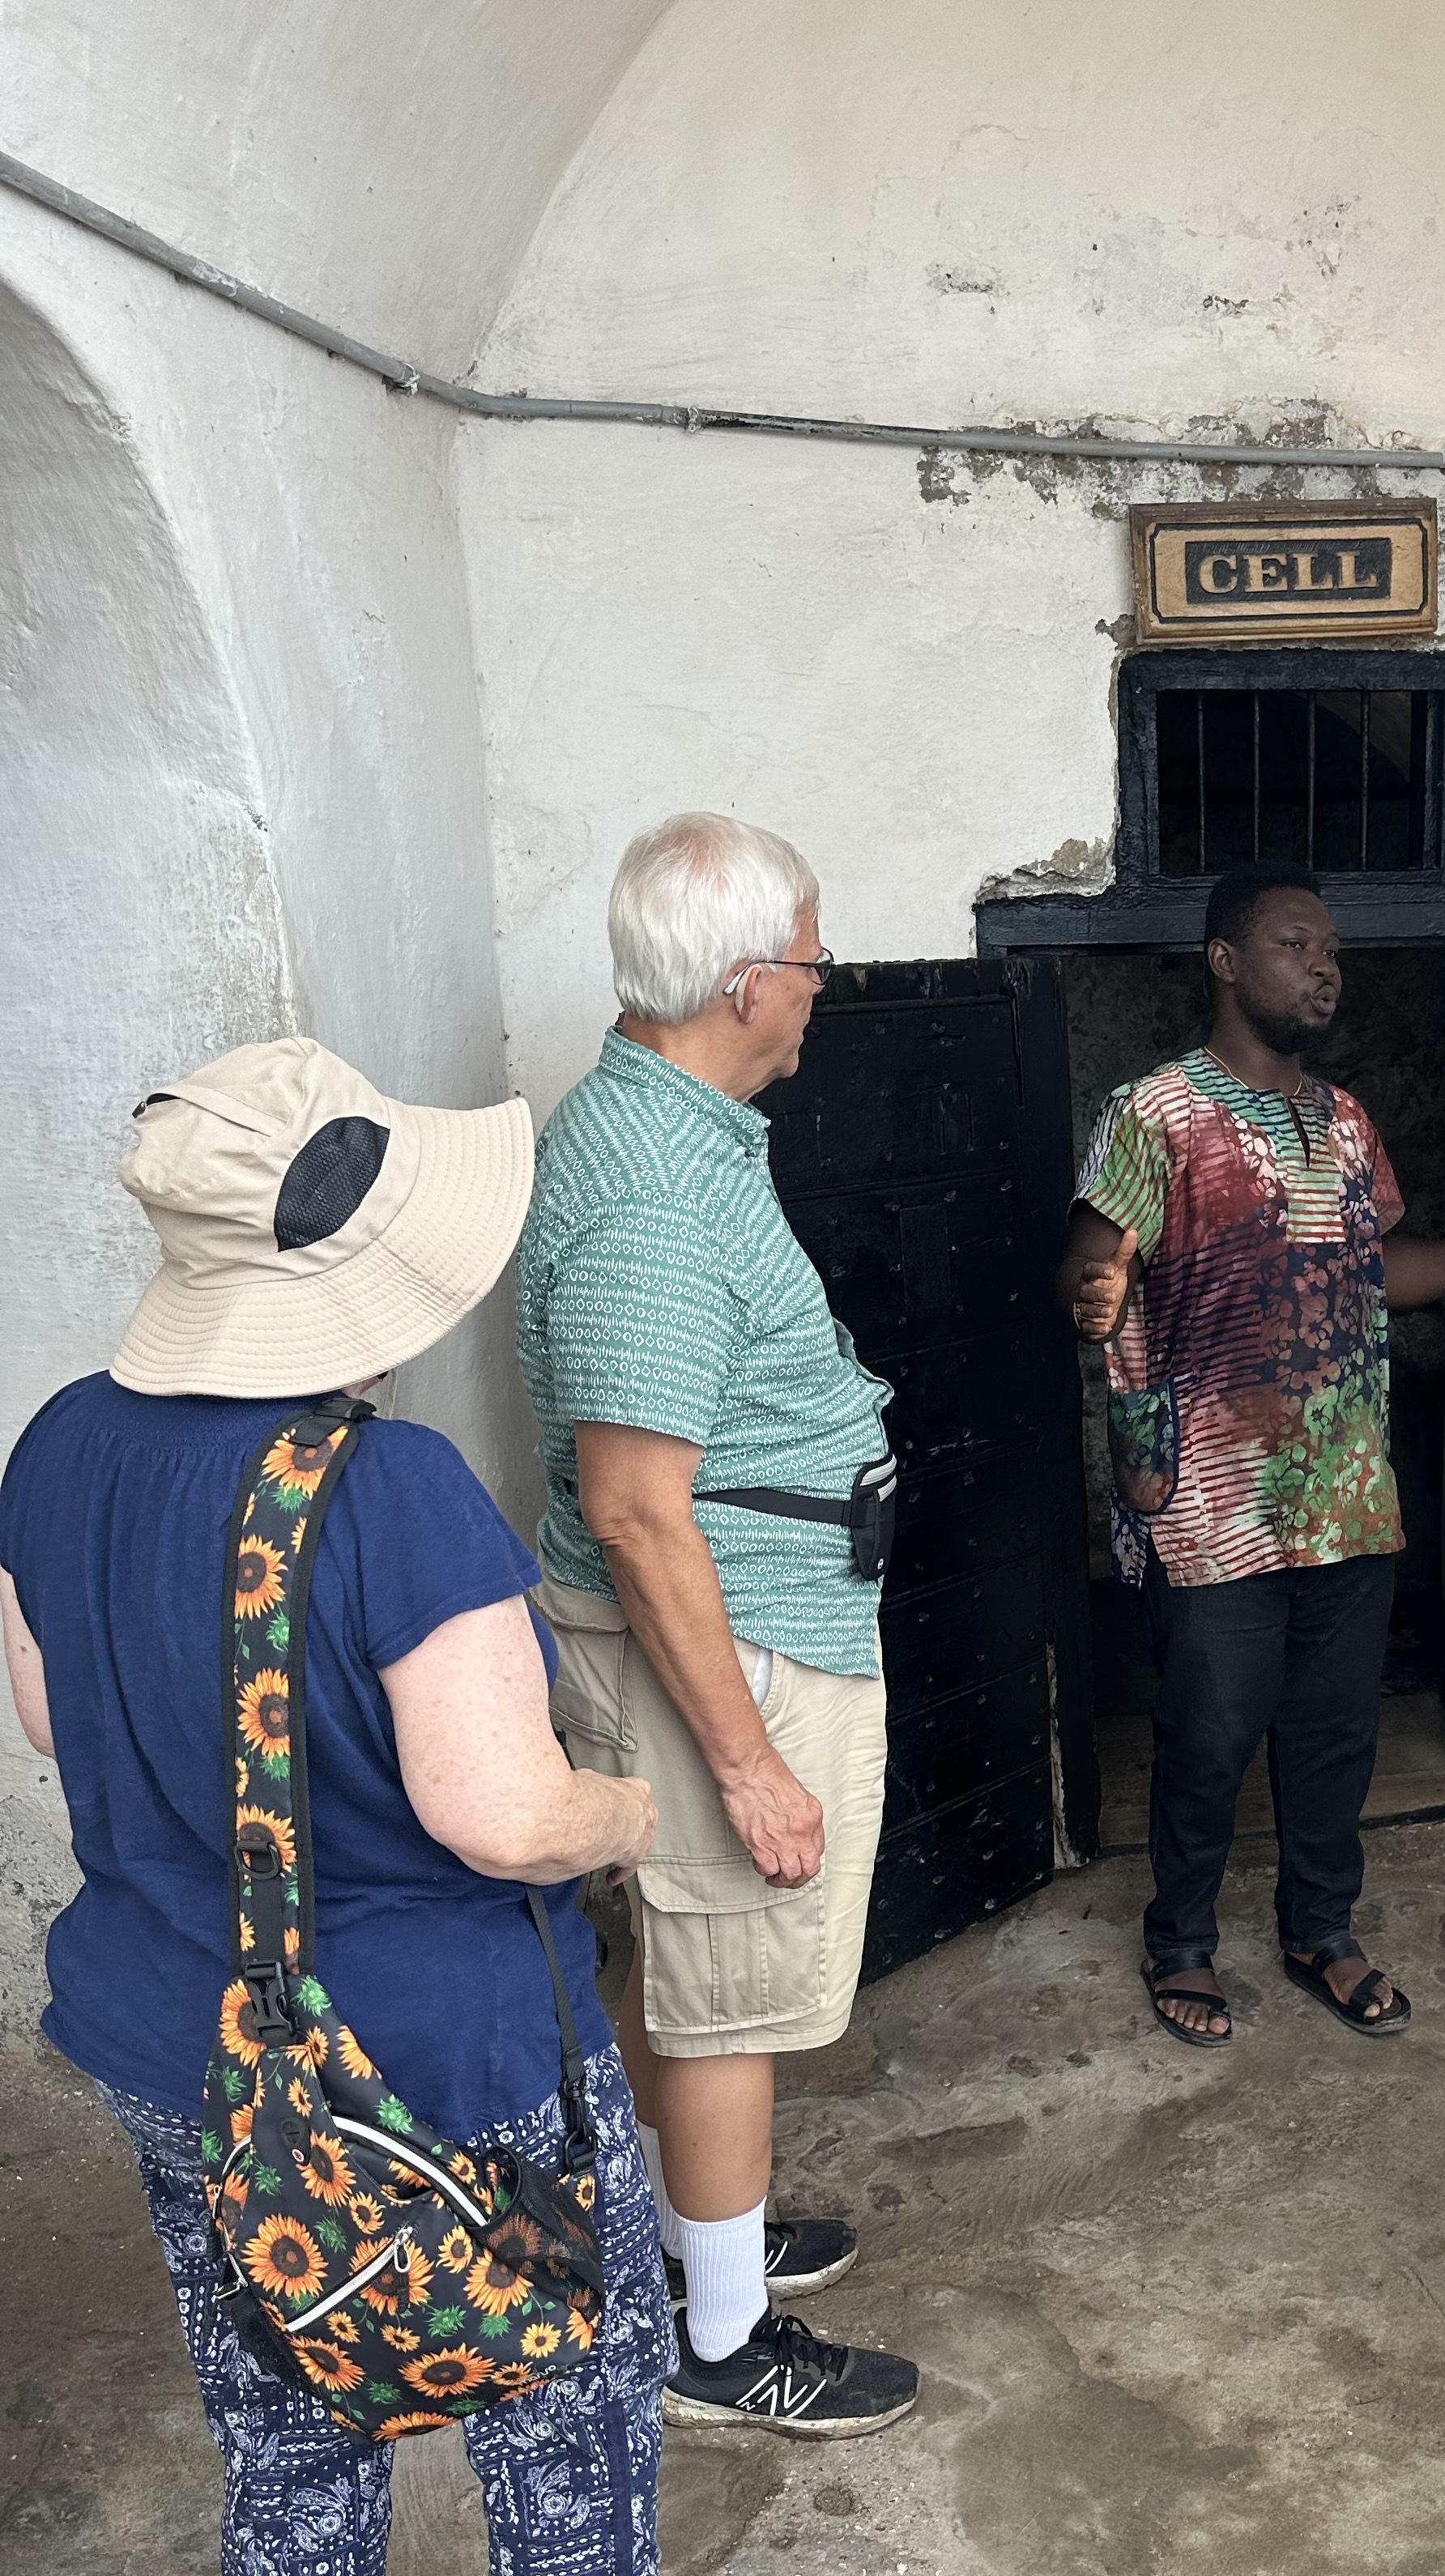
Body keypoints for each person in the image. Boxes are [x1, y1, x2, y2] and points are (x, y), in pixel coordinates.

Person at [0, 1039, 817, 2576]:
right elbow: (500, 1815)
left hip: (175, 2042)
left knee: (276, 2368)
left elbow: (52, 1722)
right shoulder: (392, 1494)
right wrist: (633, 1809)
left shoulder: (54, 1448)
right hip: (443, 2058)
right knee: (560, 2375)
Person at [518, 813, 919, 2439]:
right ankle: (719, 2340)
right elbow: (634, 1510)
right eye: (814, 958)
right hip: (722, 1644)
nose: (823, 984)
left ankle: (690, 2236)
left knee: (692, 1968)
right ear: (749, 980)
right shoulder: (654, 1195)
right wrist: (749, 1765)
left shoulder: (673, 1124)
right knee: (728, 1984)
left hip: (747, 1616)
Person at [1055, 868, 1445, 2047]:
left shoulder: (1346, 1120)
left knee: (1336, 1734)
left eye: (1332, 950)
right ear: (1224, 962)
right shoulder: (1156, 1113)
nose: (1324, 967)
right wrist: (1095, 1296)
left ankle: (1319, 1929)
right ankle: (1181, 1941)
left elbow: (1375, 1271)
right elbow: (1094, 1262)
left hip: (1347, 1494)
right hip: (1213, 1502)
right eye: (1295, 944)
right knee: (1210, 1733)